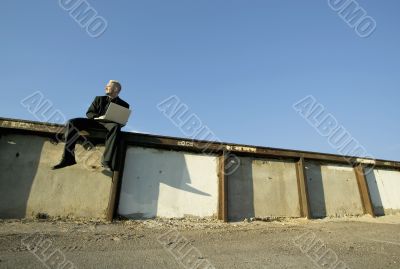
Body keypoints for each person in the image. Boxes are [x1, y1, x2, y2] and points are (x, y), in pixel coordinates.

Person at [52, 80, 130, 171]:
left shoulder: (124, 104)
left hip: (110, 124)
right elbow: (89, 113)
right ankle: (68, 158)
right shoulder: (98, 99)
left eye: (108, 86)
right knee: (72, 122)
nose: (105, 87)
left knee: (116, 127)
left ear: (116, 89)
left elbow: (121, 121)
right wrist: (99, 117)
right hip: (95, 121)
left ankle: (106, 161)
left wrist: (117, 121)